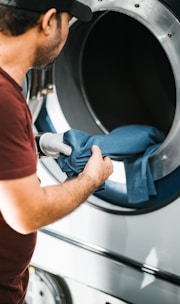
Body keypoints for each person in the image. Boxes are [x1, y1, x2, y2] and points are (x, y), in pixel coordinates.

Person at [0, 0, 113, 303]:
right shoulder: (5, 101)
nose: (66, 34)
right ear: (49, 22)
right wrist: (89, 179)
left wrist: (35, 144)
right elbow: (27, 213)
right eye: (67, 21)